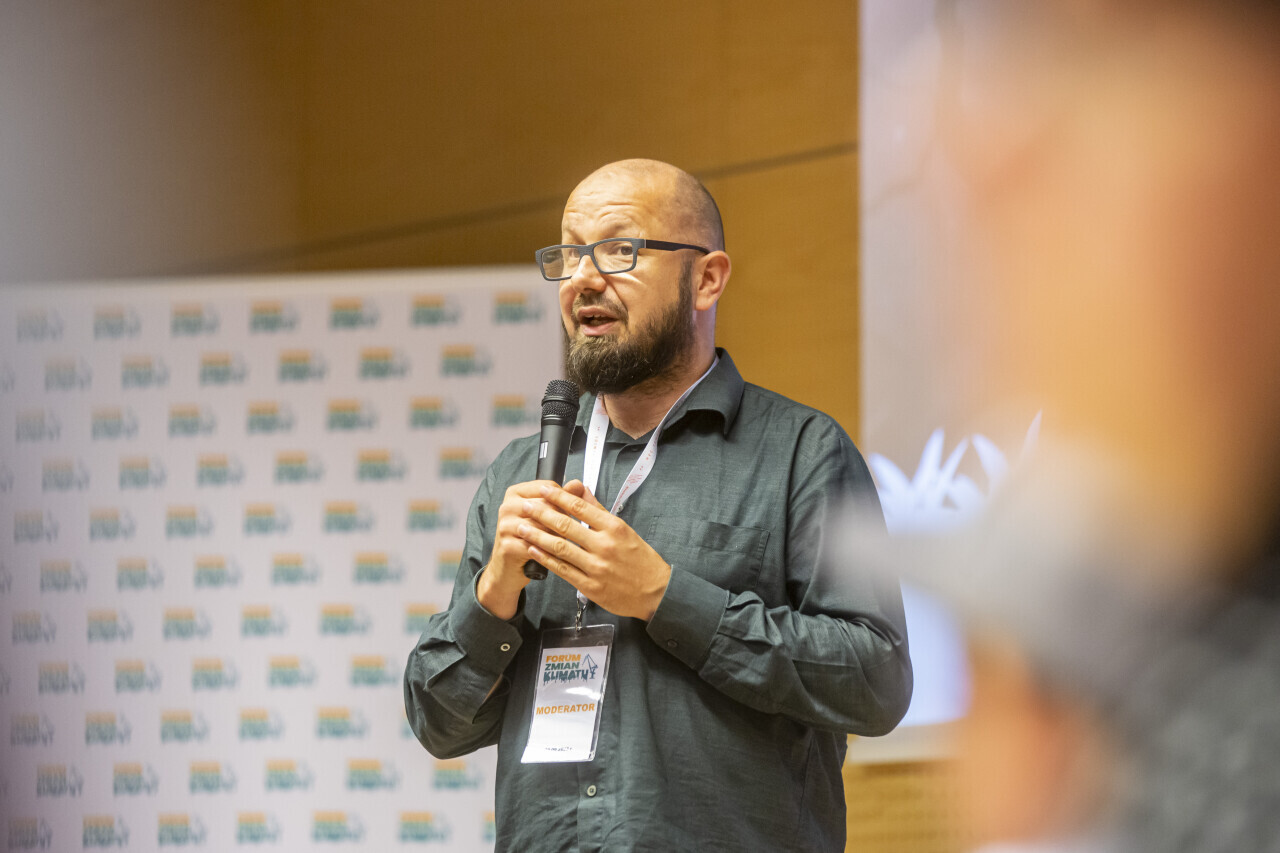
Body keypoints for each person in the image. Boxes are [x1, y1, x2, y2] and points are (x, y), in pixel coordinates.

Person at [404, 159, 912, 852]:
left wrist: (667, 598)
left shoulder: (800, 452)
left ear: (707, 279)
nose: (582, 278)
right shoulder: (520, 475)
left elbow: (876, 681)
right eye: (570, 254)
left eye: (619, 249)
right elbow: (438, 724)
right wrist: (492, 596)